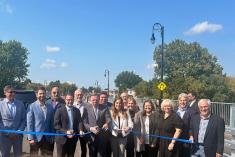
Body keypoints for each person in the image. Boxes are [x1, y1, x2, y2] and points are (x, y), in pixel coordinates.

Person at [27, 86, 54, 156]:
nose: (42, 95)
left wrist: (52, 136)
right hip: (35, 138)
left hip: (47, 137)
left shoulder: (50, 107)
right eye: (40, 93)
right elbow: (29, 123)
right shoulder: (31, 106)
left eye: (43, 94)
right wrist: (30, 138)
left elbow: (51, 123)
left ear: (46, 95)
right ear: (37, 94)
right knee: (34, 155)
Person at [0, 85, 26, 157]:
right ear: (5, 93)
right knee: (5, 155)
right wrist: (8, 133)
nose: (13, 94)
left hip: (18, 137)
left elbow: (24, 119)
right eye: (10, 92)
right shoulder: (0, 105)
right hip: (5, 137)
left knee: (18, 155)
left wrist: (18, 131)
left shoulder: (20, 104)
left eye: (14, 92)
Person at [73, 89, 88, 157]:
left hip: (84, 130)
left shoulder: (87, 106)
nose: (79, 96)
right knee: (72, 148)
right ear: (75, 96)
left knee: (84, 149)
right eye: (77, 95)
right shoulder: (71, 105)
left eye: (80, 95)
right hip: (73, 130)